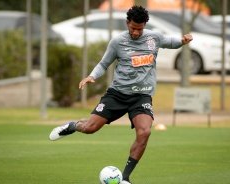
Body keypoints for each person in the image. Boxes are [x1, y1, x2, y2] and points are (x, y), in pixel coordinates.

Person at [49, 5, 193, 184]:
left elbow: (172, 42)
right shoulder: (118, 42)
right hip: (117, 94)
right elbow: (103, 63)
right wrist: (91, 76)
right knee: (90, 128)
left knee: (145, 132)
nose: (135, 32)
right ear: (127, 23)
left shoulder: (153, 38)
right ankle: (72, 126)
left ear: (144, 25)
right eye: (133, 28)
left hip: (141, 97)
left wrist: (184, 40)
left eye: (139, 29)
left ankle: (125, 178)